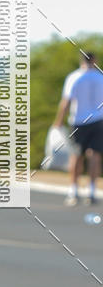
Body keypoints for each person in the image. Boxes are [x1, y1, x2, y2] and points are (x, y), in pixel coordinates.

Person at [53, 51, 103, 205]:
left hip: (79, 121)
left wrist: (58, 122)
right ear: (94, 60)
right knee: (95, 155)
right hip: (98, 120)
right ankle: (92, 190)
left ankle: (73, 190)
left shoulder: (74, 77)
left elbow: (66, 102)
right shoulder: (100, 77)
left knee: (76, 155)